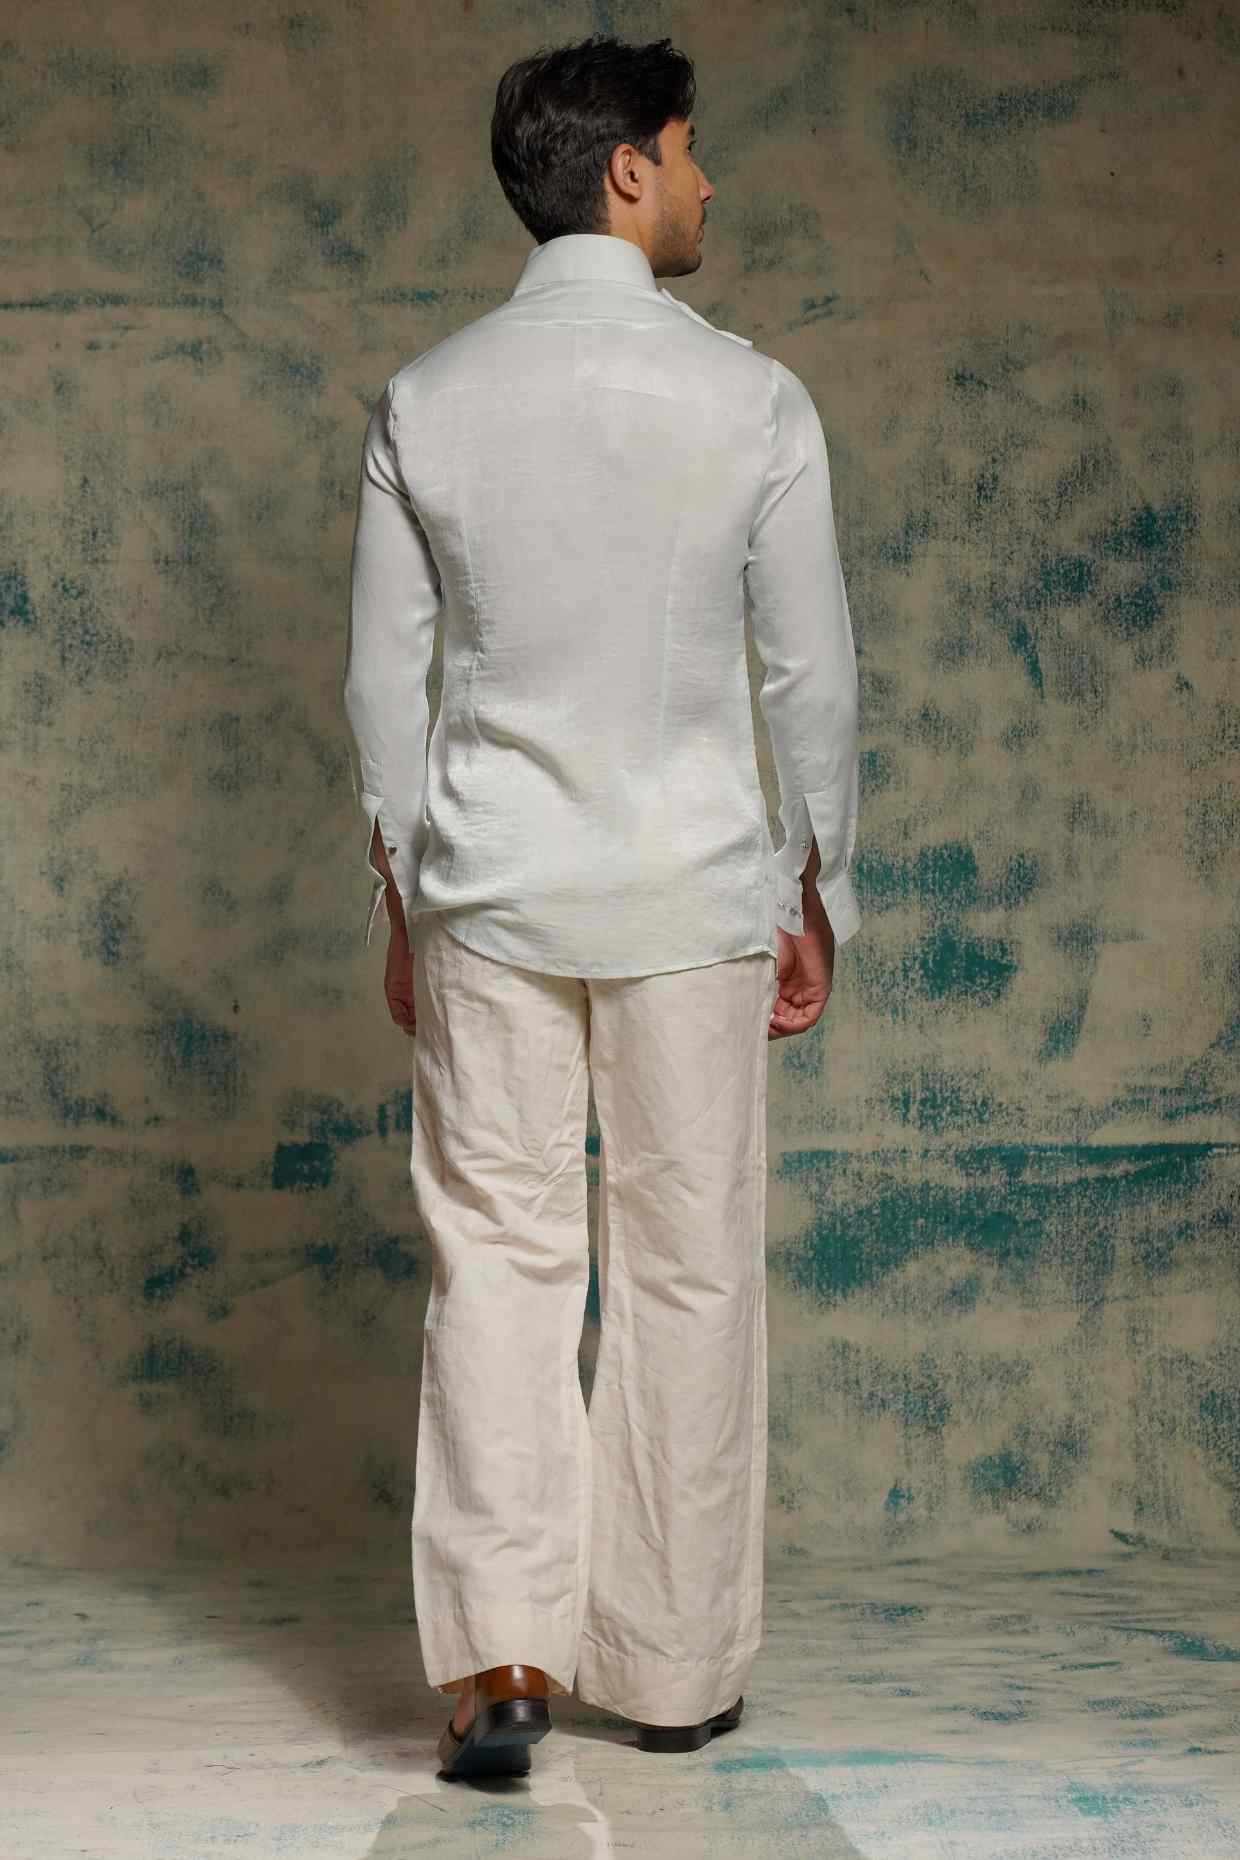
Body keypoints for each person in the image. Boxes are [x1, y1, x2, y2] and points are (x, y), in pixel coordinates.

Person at [342, 33, 860, 1780]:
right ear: (627, 172)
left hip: (489, 885)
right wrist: (817, 885)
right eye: (692, 151)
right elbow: (809, 681)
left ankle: (502, 1665)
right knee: (690, 1261)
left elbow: (383, 686)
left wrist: (404, 889)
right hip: (694, 889)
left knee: (495, 1259)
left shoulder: (427, 399)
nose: (708, 183)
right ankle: (676, 1668)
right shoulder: (754, 399)